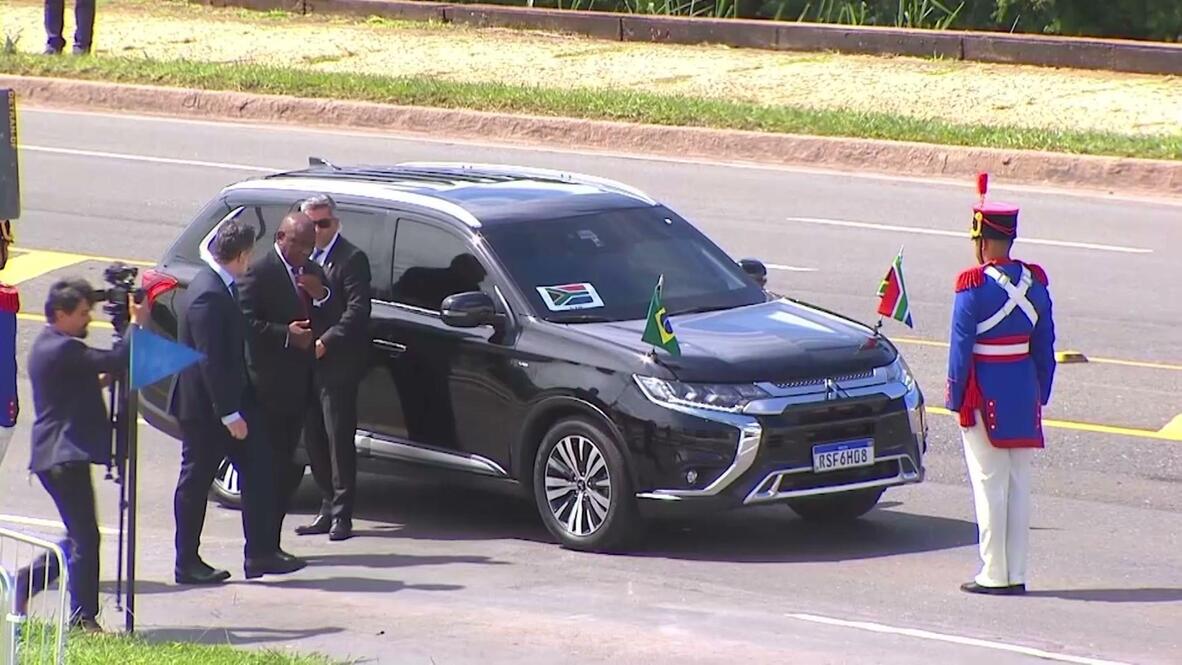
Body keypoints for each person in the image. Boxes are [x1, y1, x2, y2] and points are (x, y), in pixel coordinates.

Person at [170, 219, 304, 584]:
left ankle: (260, 554)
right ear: (242, 255)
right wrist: (230, 414)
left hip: (233, 402)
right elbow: (211, 360)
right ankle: (186, 562)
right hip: (208, 410)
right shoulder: (209, 294)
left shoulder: (221, 286)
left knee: (260, 470)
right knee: (195, 481)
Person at [10, 278, 148, 631]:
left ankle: (26, 584)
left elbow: (77, 383)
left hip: (59, 457)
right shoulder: (61, 348)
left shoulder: (52, 346)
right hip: (62, 458)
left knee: (80, 535)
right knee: (85, 537)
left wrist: (104, 379)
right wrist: (135, 322)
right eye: (83, 313)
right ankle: (82, 617)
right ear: (60, 314)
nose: (89, 319)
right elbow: (117, 357)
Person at [945, 191, 1056, 596]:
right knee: (1018, 485)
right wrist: (1040, 392)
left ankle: (994, 572)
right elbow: (1045, 346)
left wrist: (956, 398)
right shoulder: (1036, 284)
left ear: (984, 241)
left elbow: (960, 351)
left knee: (989, 484)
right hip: (1023, 393)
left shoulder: (972, 287)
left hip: (983, 394)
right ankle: (1017, 571)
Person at [238, 211, 331, 555]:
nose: (305, 252)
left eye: (310, 246)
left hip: (300, 388)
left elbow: (331, 314)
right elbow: (245, 323)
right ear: (280, 238)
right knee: (268, 473)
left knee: (287, 472)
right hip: (268, 390)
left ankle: (271, 545)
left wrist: (321, 294)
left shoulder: (312, 271)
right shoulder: (259, 273)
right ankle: (260, 549)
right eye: (299, 244)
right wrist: (286, 335)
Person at [292, 195, 371, 542]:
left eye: (323, 224)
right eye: (310, 225)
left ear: (335, 224)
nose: (316, 230)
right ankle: (326, 505)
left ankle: (342, 514)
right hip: (304, 360)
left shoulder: (350, 259)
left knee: (338, 437)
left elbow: (357, 311)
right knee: (313, 437)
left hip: (336, 362)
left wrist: (327, 341)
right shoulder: (298, 257)